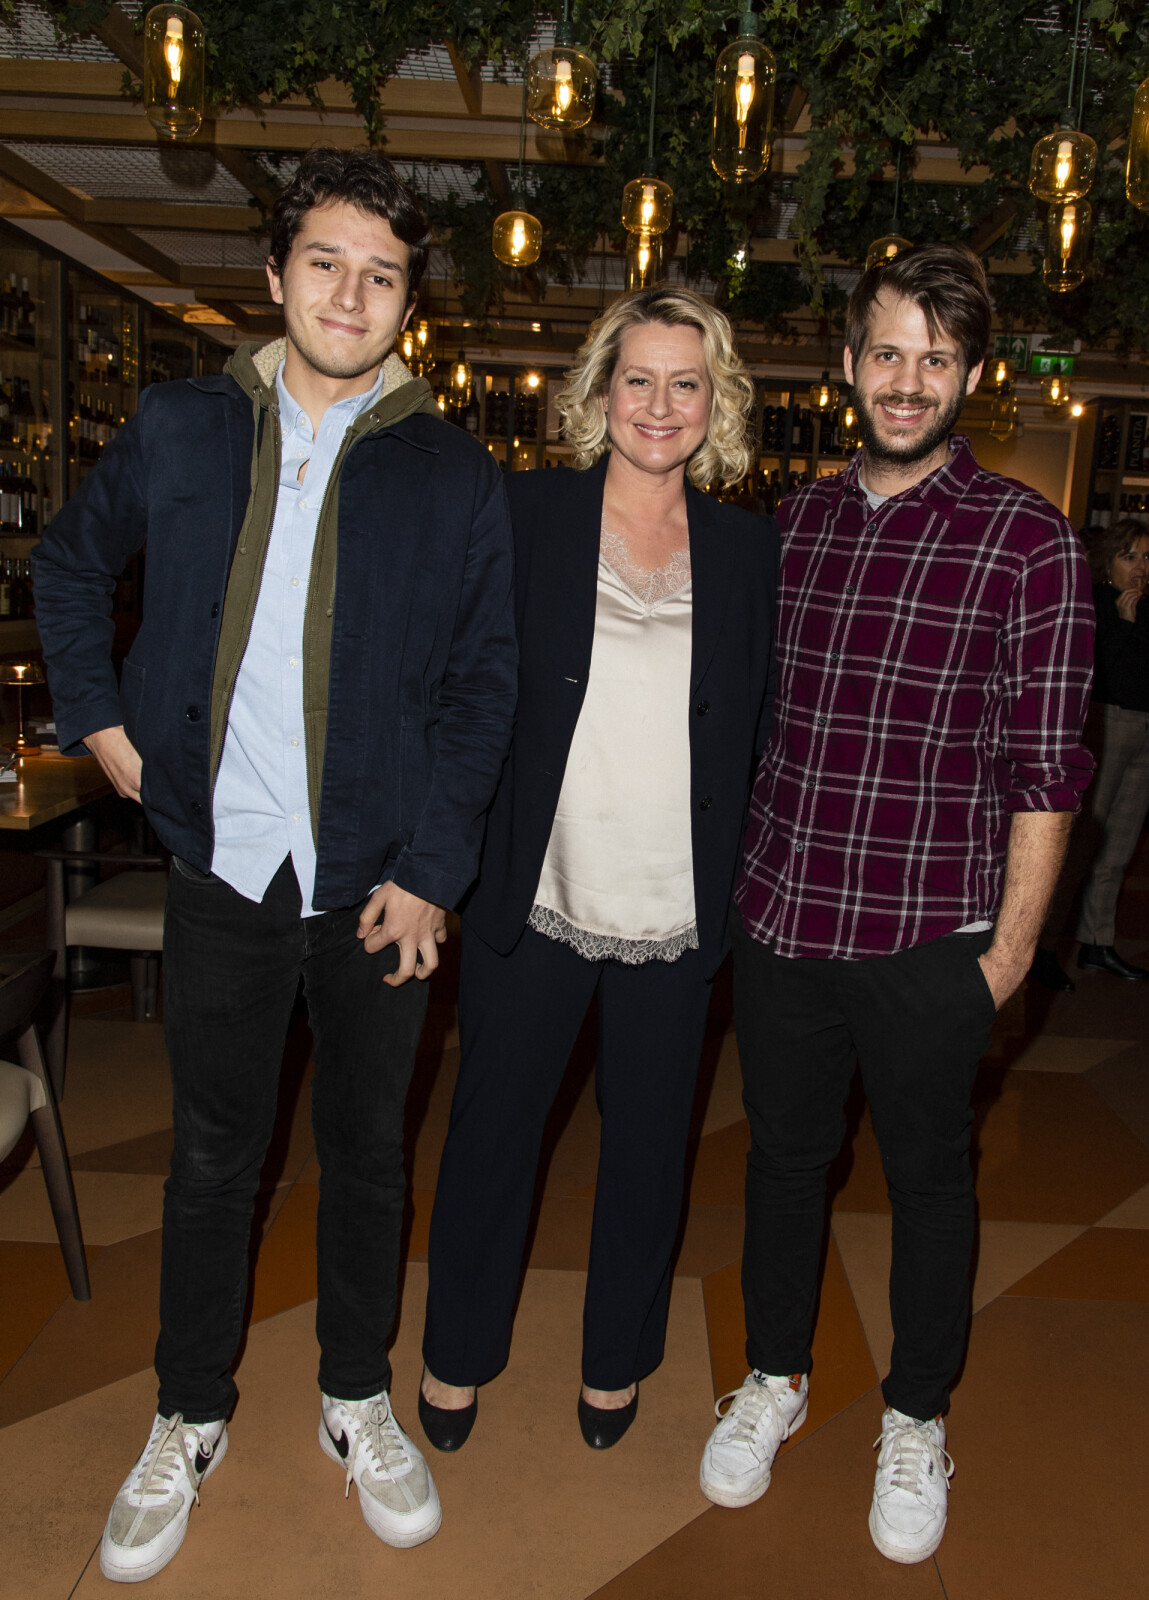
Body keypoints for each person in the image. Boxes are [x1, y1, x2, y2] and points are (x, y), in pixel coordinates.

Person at [32, 148, 517, 1582]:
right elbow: (68, 566)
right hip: (222, 867)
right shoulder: (183, 428)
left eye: (381, 274)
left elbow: (483, 684)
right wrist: (106, 731)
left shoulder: (450, 470)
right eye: (327, 263)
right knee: (208, 1162)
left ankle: (353, 1392)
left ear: (407, 302)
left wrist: (434, 868)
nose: (351, 293)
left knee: (368, 1159)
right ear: (276, 276)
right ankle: (189, 1410)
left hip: (375, 883)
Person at [697, 244, 1094, 1564]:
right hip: (786, 917)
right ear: (849, 364)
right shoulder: (792, 527)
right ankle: (773, 1376)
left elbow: (1050, 763)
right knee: (783, 1167)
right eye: (886, 352)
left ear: (972, 375)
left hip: (934, 938)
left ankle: (917, 1415)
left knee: (931, 1184)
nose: (907, 380)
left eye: (935, 357)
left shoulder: (1028, 540)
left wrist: (1009, 956)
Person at [418, 287, 778, 1453]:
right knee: (491, 1134)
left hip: (677, 908)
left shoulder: (744, 548)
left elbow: (760, 723)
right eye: (638, 379)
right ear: (599, 391)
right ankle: (458, 1353)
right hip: (539, 889)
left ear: (713, 400)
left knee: (648, 1151)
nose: (660, 405)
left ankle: (616, 1362)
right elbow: (457, 685)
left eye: (685, 382)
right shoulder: (526, 516)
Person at [1034, 521, 1149, 987]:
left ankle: (1098, 944)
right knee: (1079, 847)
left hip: (1144, 727)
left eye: (1146, 557)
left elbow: (1143, 672)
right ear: (1107, 563)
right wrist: (1121, 622)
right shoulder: (1096, 604)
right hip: (1107, 726)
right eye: (1129, 556)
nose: (1141, 567)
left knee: (1119, 849)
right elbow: (1095, 671)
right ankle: (1041, 951)